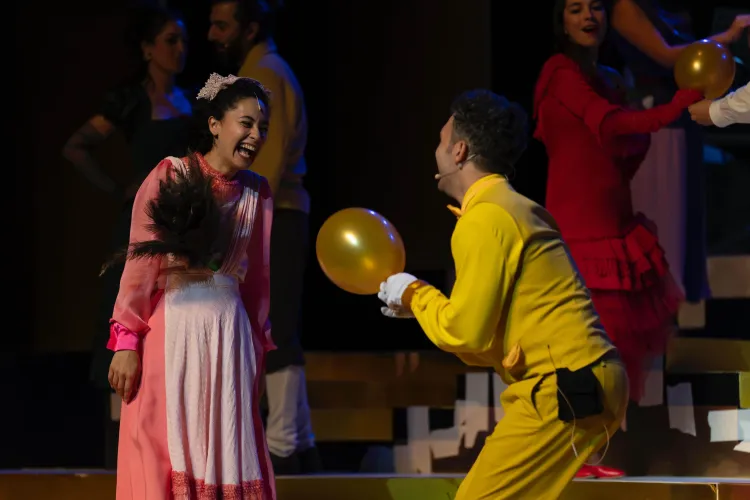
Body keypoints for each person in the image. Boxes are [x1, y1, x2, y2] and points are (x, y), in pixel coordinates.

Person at [378, 89, 629, 500]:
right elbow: (481, 340)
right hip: (582, 381)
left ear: (459, 151)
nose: (436, 151)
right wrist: (418, 307)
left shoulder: (487, 217)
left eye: (441, 141)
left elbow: (465, 332)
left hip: (566, 385)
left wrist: (417, 294)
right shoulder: (506, 207)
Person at [533, 0, 703, 479]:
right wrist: (674, 106)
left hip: (613, 226)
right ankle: (567, 457)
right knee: (580, 352)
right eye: (575, 9)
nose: (589, 16)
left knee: (612, 353)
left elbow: (626, 143)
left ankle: (586, 455)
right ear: (561, 21)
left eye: (595, 7)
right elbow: (608, 123)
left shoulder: (608, 77)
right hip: (579, 234)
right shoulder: (559, 72)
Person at [106, 73, 276, 500]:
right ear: (215, 124)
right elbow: (140, 265)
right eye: (246, 123)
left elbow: (257, 285)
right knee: (163, 449)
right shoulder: (172, 175)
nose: (256, 136)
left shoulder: (257, 193)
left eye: (263, 128)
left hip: (228, 339)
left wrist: (256, 353)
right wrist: (126, 341)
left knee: (227, 448)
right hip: (175, 333)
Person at [61, 4, 192, 468]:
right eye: (171, 40)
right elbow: (75, 146)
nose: (181, 49)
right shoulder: (130, 100)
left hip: (183, 231)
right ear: (147, 48)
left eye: (183, 40)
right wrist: (119, 189)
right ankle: (119, 458)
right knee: (127, 316)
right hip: (141, 226)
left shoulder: (195, 101)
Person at [208, 0, 319, 474]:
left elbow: (263, 161)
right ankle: (299, 441)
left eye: (222, 25)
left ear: (250, 28)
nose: (213, 35)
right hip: (275, 211)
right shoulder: (263, 70)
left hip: (275, 212)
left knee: (275, 326)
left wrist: (240, 217)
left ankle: (283, 446)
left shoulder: (265, 74)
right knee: (275, 323)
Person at [608, 0, 749, 302]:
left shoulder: (661, 7)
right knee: (665, 222)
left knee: (683, 222)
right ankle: (660, 308)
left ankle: (676, 307)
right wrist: (726, 36)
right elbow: (667, 56)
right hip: (657, 125)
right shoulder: (625, 6)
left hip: (682, 122)